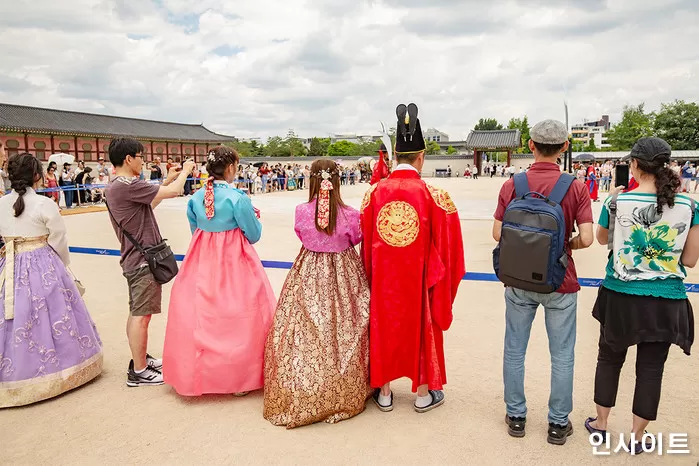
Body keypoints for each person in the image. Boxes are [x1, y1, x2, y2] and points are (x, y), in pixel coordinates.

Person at [585, 137, 697, 455]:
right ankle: (636, 436)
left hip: (620, 294)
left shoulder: (619, 201)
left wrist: (611, 201)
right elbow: (689, 260)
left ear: (633, 165)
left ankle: (602, 424)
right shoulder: (690, 205)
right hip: (666, 299)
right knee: (651, 368)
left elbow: (602, 238)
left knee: (609, 358)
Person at [492, 119, 594, 445]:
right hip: (560, 281)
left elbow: (497, 233)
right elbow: (588, 238)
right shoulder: (575, 186)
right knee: (562, 354)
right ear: (565, 147)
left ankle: (517, 416)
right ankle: (557, 423)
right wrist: (565, 246)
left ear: (530, 146)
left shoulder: (513, 185)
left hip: (519, 280)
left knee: (514, 349)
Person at [361, 103, 465, 413]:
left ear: (395, 157)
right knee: (423, 324)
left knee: (383, 323)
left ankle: (384, 392)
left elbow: (365, 244)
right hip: (421, 280)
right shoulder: (436, 196)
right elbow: (451, 249)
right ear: (421, 157)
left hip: (384, 281)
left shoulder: (373, 194)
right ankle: (422, 393)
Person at [264, 159, 371, 428]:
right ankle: (343, 384)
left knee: (304, 326)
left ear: (312, 180)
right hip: (344, 270)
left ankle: (305, 384)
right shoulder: (351, 214)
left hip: (309, 268)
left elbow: (302, 235)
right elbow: (356, 238)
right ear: (336, 181)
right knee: (346, 325)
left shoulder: (301, 210)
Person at [163, 147, 273, 396]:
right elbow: (253, 234)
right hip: (234, 257)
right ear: (231, 168)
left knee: (202, 313)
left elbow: (195, 228)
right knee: (239, 311)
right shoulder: (238, 197)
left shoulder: (196, 197)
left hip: (202, 256)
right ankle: (238, 375)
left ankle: (203, 372)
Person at [0, 153, 103, 408]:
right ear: (37, 176)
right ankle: (60, 367)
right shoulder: (45, 204)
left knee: (13, 315)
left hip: (10, 262)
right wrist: (61, 264)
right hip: (41, 260)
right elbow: (59, 238)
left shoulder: (1, 204)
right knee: (53, 312)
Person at [105, 137, 195, 387]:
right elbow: (176, 192)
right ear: (128, 159)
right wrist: (186, 171)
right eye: (140, 156)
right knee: (142, 315)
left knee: (137, 312)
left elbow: (150, 203)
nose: (143, 160)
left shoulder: (119, 185)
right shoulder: (127, 185)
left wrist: (166, 180)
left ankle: (140, 359)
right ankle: (139, 370)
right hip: (142, 260)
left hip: (135, 258)